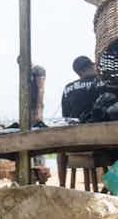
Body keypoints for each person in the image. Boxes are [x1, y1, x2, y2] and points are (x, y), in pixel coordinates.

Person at [58, 56, 104, 186]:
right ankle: (110, 187)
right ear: (92, 65)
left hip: (76, 143)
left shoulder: (68, 88)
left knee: (60, 150)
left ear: (78, 72)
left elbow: (66, 118)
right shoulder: (104, 82)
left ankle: (62, 186)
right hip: (102, 141)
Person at [31, 65, 47, 167]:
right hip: (29, 110)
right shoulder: (26, 74)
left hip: (34, 110)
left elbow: (41, 89)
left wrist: (38, 110)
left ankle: (40, 169)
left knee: (37, 140)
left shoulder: (38, 70)